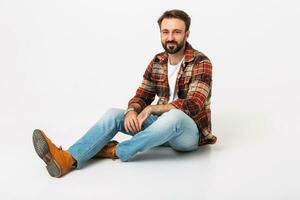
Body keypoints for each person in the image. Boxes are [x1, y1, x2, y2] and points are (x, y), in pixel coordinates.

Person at [32, 9, 217, 178]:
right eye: (165, 31)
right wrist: (131, 111)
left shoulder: (201, 62)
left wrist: (152, 109)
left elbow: (193, 104)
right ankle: (68, 159)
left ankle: (117, 151)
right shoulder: (158, 61)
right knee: (114, 114)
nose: (170, 37)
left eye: (176, 32)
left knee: (174, 117)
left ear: (187, 34)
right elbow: (142, 95)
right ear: (160, 33)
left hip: (187, 134)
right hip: (158, 131)